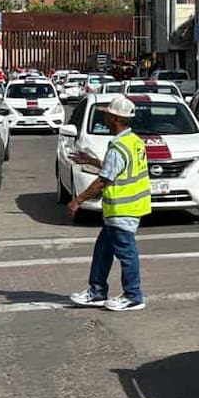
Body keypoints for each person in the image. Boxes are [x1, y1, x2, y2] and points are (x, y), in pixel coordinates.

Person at [66, 95, 151, 312]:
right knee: (103, 250)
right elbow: (116, 168)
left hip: (122, 209)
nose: (104, 117)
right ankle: (97, 291)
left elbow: (103, 180)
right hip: (128, 208)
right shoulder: (133, 141)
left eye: (107, 114)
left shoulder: (119, 147)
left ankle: (133, 295)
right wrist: (91, 161)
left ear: (115, 118)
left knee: (126, 254)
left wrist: (78, 200)